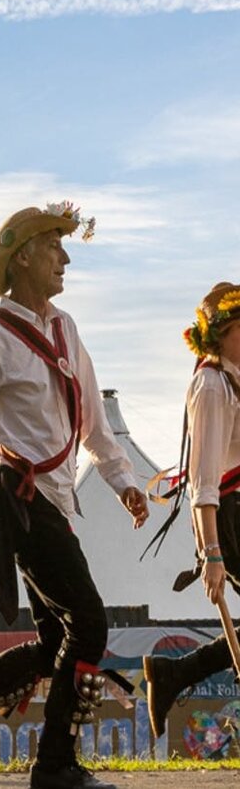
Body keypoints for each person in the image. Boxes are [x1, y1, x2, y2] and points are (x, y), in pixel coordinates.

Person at [0, 202, 149, 789]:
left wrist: (123, 482)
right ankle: (55, 766)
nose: (65, 258)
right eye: (53, 248)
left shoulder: (67, 329)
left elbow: (93, 422)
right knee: (89, 624)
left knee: (55, 643)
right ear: (22, 258)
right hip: (16, 500)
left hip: (57, 499)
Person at [143, 281, 240, 740]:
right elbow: (203, 482)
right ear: (221, 334)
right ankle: (173, 675)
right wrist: (212, 553)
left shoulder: (234, 378)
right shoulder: (212, 385)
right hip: (231, 515)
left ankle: (174, 675)